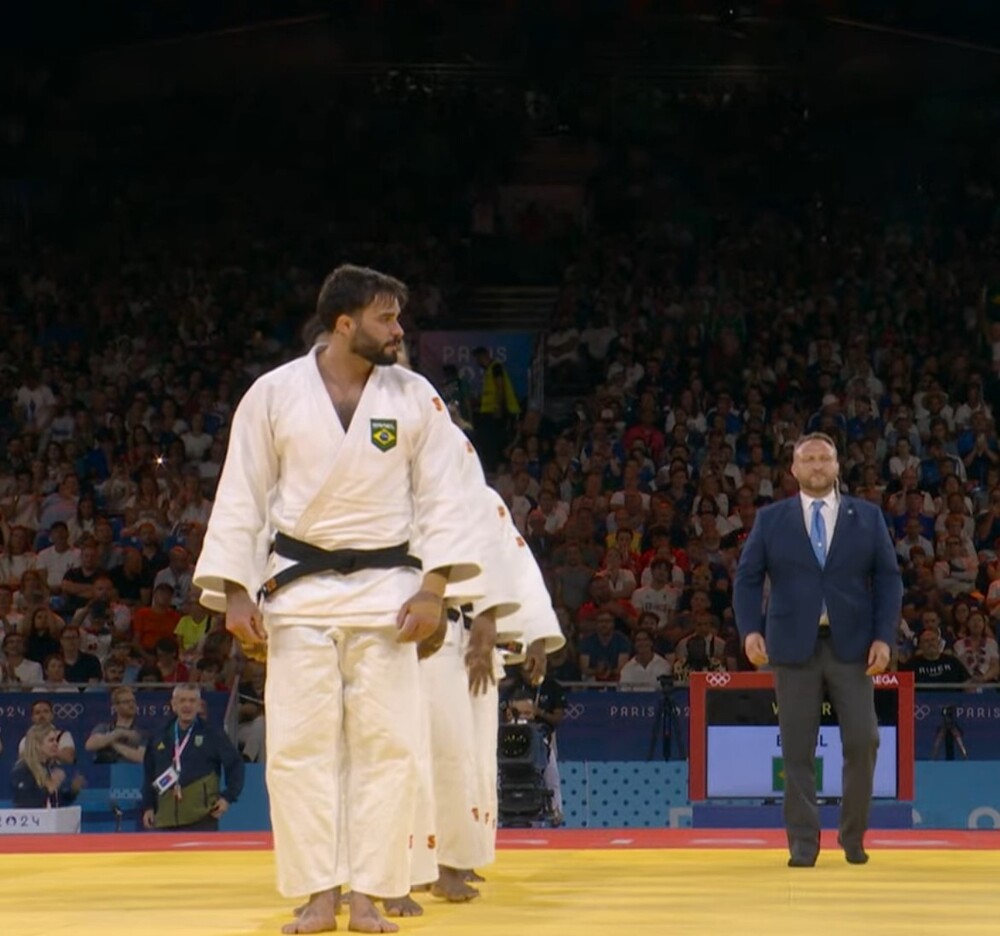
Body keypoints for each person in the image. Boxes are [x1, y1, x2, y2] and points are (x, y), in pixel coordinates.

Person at [192, 264, 480, 935]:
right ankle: (318, 893)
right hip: (299, 595)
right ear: (344, 323)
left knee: (389, 749)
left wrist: (434, 589)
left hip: (388, 596)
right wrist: (236, 592)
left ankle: (371, 896)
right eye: (386, 318)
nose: (398, 330)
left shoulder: (415, 397)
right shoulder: (273, 395)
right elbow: (242, 492)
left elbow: (446, 497)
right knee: (296, 750)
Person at [733, 432, 902, 868]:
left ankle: (853, 836)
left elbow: (888, 579)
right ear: (793, 469)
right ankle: (803, 844)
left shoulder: (867, 516)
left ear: (837, 465)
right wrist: (750, 629)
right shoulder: (771, 520)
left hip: (853, 648)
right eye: (807, 458)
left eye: (823, 458)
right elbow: (748, 578)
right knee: (796, 749)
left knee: (863, 741)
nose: (816, 466)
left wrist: (884, 636)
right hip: (792, 649)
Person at [141, 683, 243, 831]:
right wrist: (149, 806)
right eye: (182, 700)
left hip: (202, 819)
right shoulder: (159, 735)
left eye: (192, 701)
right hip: (164, 818)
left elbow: (235, 765)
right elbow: (149, 772)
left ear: (199, 705)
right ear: (173, 705)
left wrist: (227, 797)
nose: (187, 705)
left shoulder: (213, 734)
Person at [11, 723, 85, 808]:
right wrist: (52, 786)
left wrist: (73, 791)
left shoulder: (46, 769)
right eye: (51, 740)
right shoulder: (22, 769)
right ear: (38, 744)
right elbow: (26, 803)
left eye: (56, 740)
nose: (56, 744)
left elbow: (55, 802)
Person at [472, 345, 520, 473]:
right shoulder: (489, 370)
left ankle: (499, 467)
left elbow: (500, 387)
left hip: (498, 411)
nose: (478, 363)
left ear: (483, 356)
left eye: (478, 359)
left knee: (497, 442)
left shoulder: (496, 368)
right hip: (489, 411)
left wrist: (498, 407)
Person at [85, 686, 148, 764]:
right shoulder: (103, 728)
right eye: (126, 702)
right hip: (104, 772)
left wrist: (112, 743)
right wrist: (119, 733)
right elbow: (90, 745)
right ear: (116, 707)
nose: (131, 704)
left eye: (133, 701)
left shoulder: (142, 732)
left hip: (130, 772)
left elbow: (141, 757)